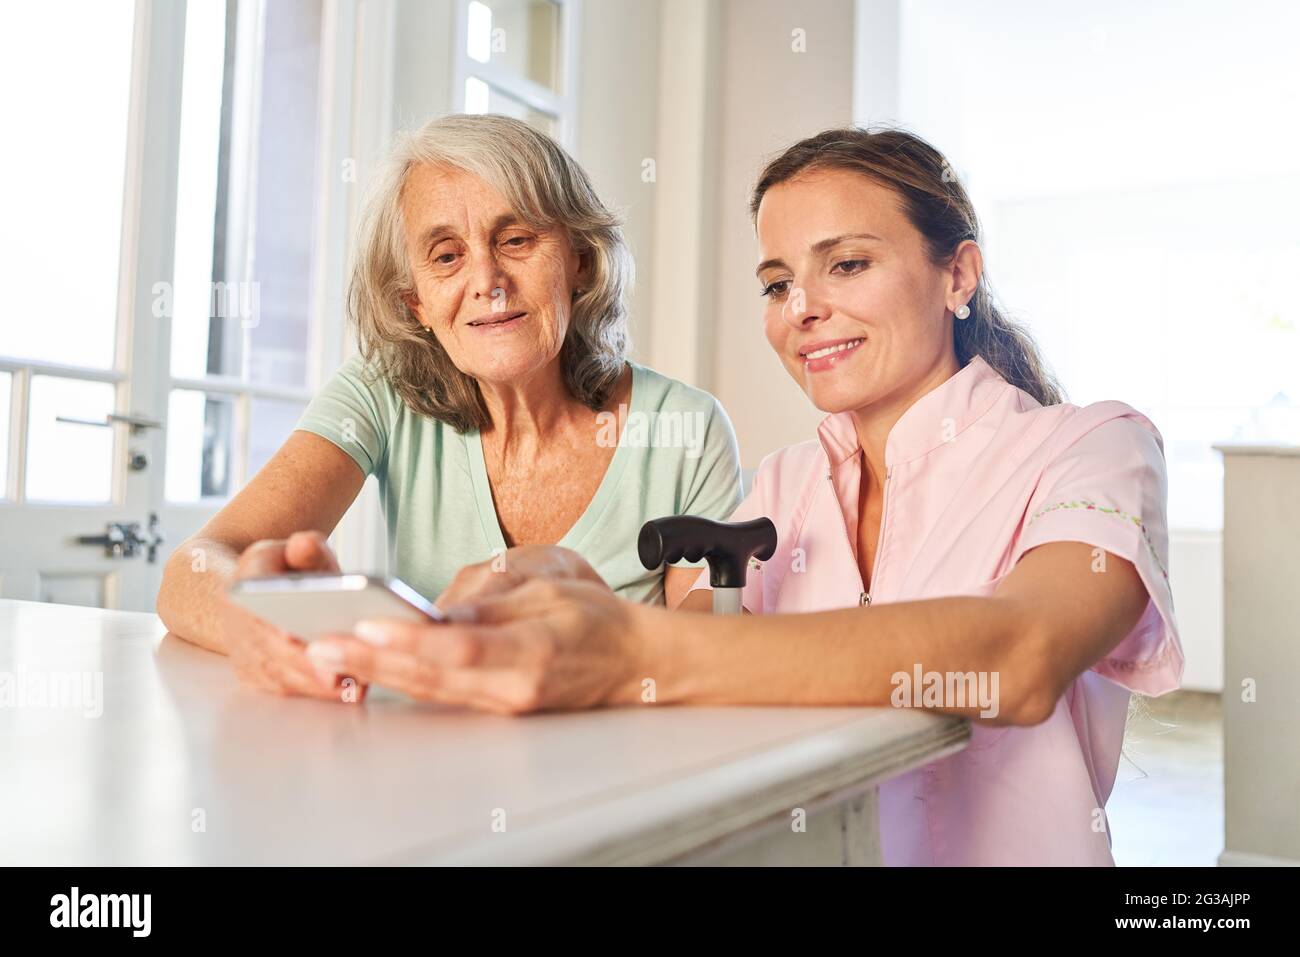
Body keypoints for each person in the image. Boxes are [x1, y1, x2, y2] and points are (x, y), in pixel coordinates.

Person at [308, 127, 1184, 866]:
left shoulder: (1095, 450)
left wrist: (629, 649)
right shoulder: (783, 488)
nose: (802, 308)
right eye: (777, 283)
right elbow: (687, 666)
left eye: (846, 264)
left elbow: (1018, 654)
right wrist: (552, 592)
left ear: (958, 276)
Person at [155, 114, 742, 700]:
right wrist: (255, 626)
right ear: (416, 303)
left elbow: (696, 664)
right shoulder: (381, 392)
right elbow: (196, 566)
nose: (488, 281)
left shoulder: (684, 431)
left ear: (580, 260)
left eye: (516, 240)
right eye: (445, 256)